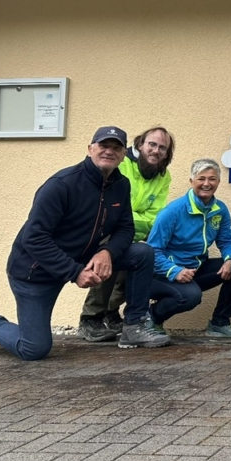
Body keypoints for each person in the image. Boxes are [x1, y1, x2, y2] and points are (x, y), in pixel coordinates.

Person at [0, 127, 170, 360]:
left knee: (141, 252)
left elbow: (125, 228)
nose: (109, 151)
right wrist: (74, 272)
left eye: (116, 148)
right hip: (37, 271)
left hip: (81, 256)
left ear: (124, 154)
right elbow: (34, 238)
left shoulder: (121, 185)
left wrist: (107, 251)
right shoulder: (62, 184)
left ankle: (134, 326)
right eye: (103, 146)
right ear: (90, 148)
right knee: (34, 348)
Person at [77, 126, 175, 342]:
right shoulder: (123, 165)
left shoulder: (163, 176)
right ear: (140, 144)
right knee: (109, 254)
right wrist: (132, 221)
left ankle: (112, 313)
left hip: (134, 233)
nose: (156, 150)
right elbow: (118, 210)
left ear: (167, 154)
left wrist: (135, 224)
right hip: (106, 232)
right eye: (152, 144)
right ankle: (90, 319)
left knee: (143, 254)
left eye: (162, 148)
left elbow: (156, 215)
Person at [147, 158, 231, 336]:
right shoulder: (172, 212)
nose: (207, 183)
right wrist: (175, 271)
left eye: (212, 179)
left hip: (195, 269)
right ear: (191, 181)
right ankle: (151, 317)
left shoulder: (219, 209)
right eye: (201, 178)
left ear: (219, 182)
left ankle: (219, 323)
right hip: (161, 274)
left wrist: (230, 259)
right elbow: (153, 251)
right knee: (191, 296)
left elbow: (227, 240)